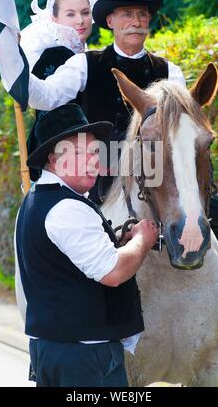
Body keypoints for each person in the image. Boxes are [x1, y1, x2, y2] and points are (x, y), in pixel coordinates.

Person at [25, 0, 218, 341]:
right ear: (111, 22)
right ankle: (82, 327)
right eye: (127, 14)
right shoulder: (85, 66)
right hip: (101, 174)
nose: (136, 21)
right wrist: (17, 75)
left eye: (142, 15)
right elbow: (43, 96)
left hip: (162, 177)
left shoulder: (170, 71)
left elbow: (184, 132)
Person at [14, 103, 159, 387]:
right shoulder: (67, 208)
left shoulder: (34, 201)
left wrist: (118, 244)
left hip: (58, 351)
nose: (97, 162)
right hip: (85, 358)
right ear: (55, 160)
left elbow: (67, 263)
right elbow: (113, 272)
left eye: (97, 153)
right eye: (86, 154)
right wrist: (143, 240)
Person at [21, 0, 100, 180]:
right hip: (62, 159)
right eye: (71, 14)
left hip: (95, 153)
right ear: (54, 19)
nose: (80, 20)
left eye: (85, 12)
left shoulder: (96, 57)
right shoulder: (52, 57)